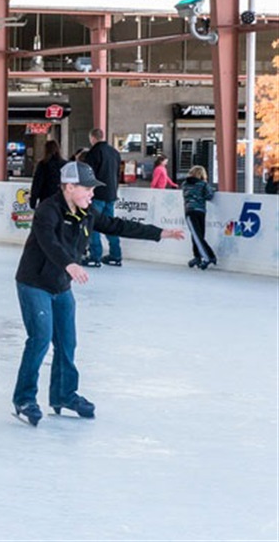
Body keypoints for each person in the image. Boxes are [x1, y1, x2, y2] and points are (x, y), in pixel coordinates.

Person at [11, 161, 184, 426]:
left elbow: (117, 225)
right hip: (34, 283)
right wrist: (69, 263)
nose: (92, 195)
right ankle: (24, 398)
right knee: (40, 339)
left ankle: (64, 395)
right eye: (87, 189)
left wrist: (159, 233)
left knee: (67, 343)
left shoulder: (87, 212)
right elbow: (48, 241)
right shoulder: (48, 210)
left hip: (60, 285)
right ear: (69, 187)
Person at [81, 128, 123, 267]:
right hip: (111, 194)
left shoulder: (93, 153)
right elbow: (117, 174)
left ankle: (95, 256)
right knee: (109, 224)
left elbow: (88, 176)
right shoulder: (114, 152)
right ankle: (116, 255)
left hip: (97, 195)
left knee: (93, 225)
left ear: (92, 138)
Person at [181, 165, 217, 269]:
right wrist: (212, 189)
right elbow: (209, 196)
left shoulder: (185, 184)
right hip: (201, 211)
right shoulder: (203, 185)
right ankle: (199, 256)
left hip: (190, 212)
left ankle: (208, 256)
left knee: (196, 236)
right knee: (199, 235)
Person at [29, 140, 64, 209]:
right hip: (61, 199)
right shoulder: (64, 164)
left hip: (46, 199)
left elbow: (37, 184)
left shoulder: (43, 165)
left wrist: (33, 202)